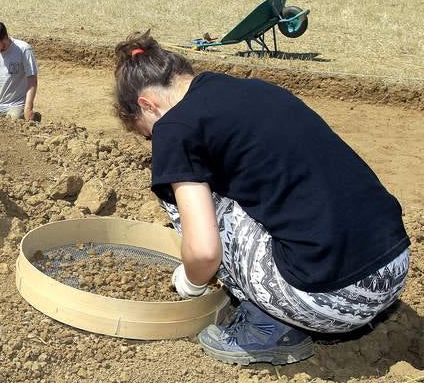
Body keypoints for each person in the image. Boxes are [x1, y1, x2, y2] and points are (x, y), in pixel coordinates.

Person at [113, 30, 410, 366]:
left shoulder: (174, 128)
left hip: (333, 298)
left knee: (182, 194)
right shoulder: (253, 89)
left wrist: (190, 283)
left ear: (147, 104)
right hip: (394, 266)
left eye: (148, 133)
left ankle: (267, 326)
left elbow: (204, 251)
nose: (156, 140)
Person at [0, 21, 38, 120]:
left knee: (14, 119)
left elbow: (32, 79)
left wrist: (28, 108)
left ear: (4, 38)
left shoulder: (23, 49)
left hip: (17, 104)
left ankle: (32, 117)